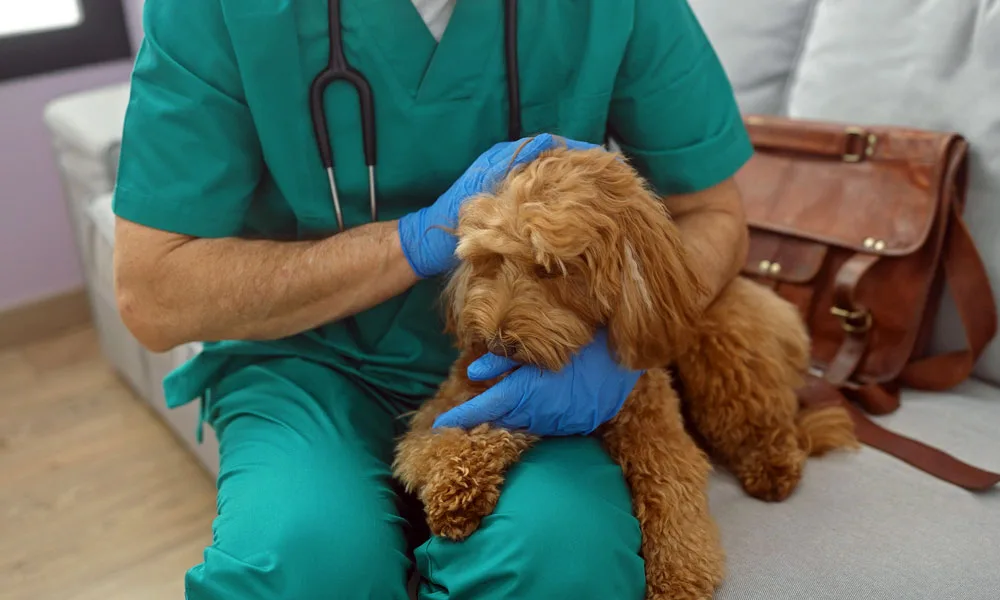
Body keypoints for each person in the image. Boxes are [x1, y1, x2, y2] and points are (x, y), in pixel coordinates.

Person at [112, 0, 752, 598]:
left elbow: (713, 211)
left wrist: (625, 345)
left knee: (560, 559)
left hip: (534, 369)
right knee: (302, 562)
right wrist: (415, 241)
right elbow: (153, 295)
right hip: (306, 361)